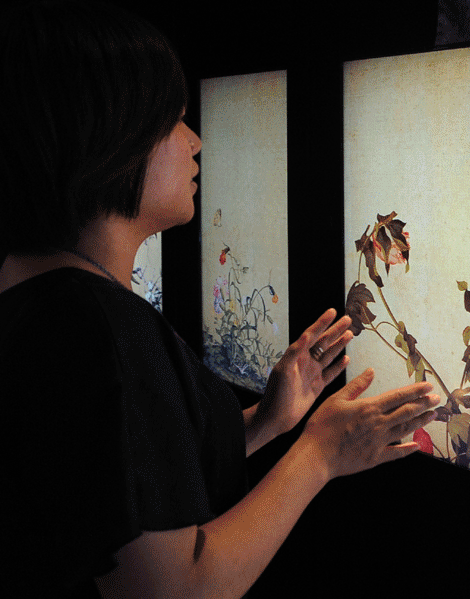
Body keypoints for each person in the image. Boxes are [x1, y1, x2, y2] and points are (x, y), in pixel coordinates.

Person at [0, 1, 439, 597]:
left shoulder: (32, 287)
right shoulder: (102, 328)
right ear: (112, 138)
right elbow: (175, 588)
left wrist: (266, 421)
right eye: (172, 121)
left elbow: (118, 484)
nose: (195, 141)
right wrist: (320, 453)